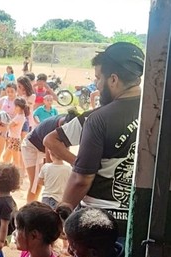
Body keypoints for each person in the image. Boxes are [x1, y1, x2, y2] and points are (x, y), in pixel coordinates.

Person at [60, 42, 145, 239]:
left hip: (100, 227)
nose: (97, 85)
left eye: (99, 78)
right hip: (143, 222)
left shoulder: (99, 118)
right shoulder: (158, 112)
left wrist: (64, 212)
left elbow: (81, 179)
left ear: (113, 79)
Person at [22, 109, 78, 202]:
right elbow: (49, 153)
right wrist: (50, 172)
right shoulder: (53, 130)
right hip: (31, 146)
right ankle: (30, 208)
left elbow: (64, 150)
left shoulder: (71, 123)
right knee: (35, 184)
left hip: (45, 149)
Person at [2, 98, 27, 170]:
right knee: (5, 158)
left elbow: (9, 126)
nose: (15, 108)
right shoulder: (19, 116)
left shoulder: (19, 117)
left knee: (16, 161)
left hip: (14, 139)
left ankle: (18, 177)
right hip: (13, 139)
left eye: (16, 106)